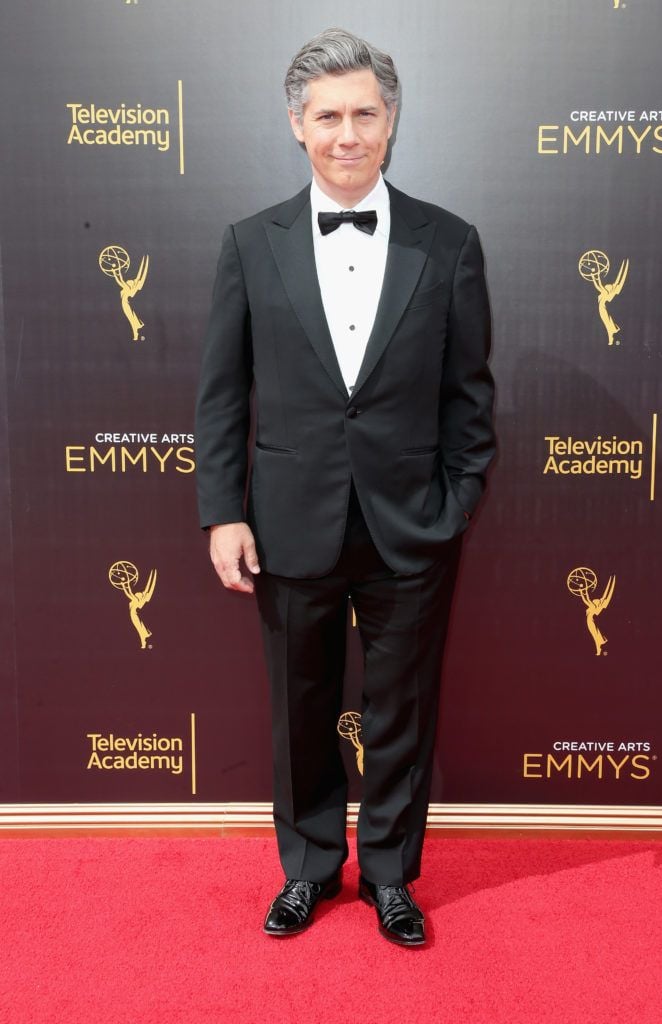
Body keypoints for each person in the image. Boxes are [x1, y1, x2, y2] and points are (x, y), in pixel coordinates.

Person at [195, 28, 495, 946]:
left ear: (392, 119)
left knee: (404, 708)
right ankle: (310, 868)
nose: (347, 133)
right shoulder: (251, 244)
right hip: (289, 523)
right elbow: (220, 394)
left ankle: (393, 876)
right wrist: (223, 515)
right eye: (328, 115)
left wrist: (453, 508)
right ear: (297, 125)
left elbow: (470, 399)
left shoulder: (450, 243)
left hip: (411, 525)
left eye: (365, 112)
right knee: (302, 705)